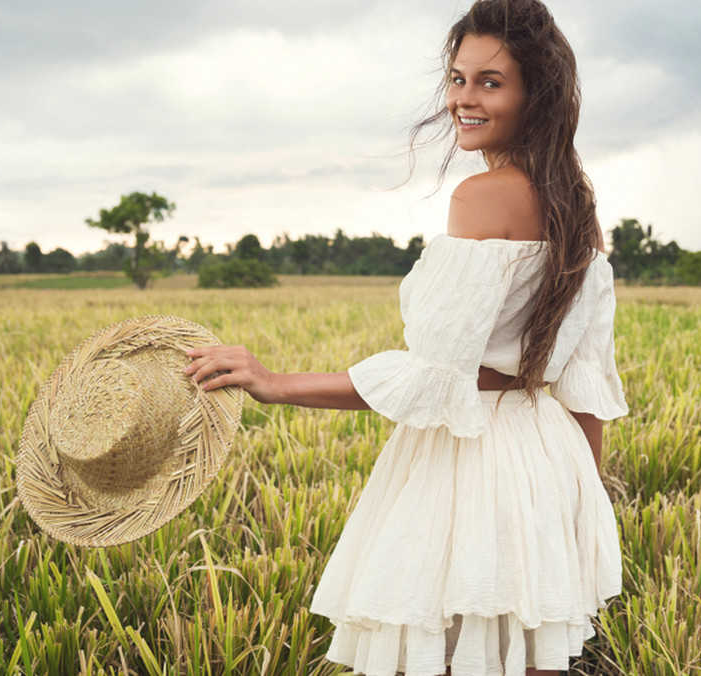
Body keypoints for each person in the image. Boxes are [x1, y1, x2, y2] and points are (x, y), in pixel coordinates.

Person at [186, 0, 628, 673]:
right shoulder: (579, 207)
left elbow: (435, 380)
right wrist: (582, 503)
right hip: (548, 459)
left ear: (534, 94)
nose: (463, 99)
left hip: (471, 464)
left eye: (489, 81)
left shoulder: (481, 199)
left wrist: (274, 384)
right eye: (457, 78)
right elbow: (586, 387)